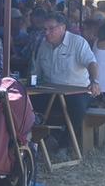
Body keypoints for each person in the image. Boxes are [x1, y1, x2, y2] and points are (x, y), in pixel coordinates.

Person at [34, 12, 100, 146]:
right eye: (45, 29)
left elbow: (91, 63)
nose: (46, 32)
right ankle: (40, 140)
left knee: (77, 107)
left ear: (63, 27)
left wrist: (95, 81)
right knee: (29, 103)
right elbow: (36, 72)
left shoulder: (78, 42)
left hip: (77, 91)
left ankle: (66, 143)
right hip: (50, 91)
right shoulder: (43, 45)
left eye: (51, 28)